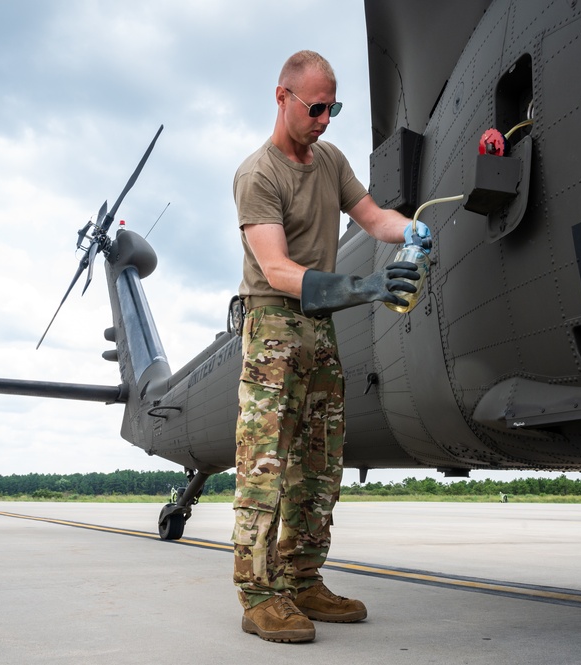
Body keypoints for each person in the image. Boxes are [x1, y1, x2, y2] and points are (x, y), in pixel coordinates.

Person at [233, 50, 419, 644]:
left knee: (319, 464)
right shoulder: (257, 175)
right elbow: (278, 269)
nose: (325, 120)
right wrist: (362, 286)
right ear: (282, 97)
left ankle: (303, 578)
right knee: (265, 465)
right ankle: (259, 594)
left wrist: (410, 228)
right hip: (273, 327)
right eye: (316, 108)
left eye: (333, 108)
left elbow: (372, 218)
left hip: (320, 329)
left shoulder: (331, 160)